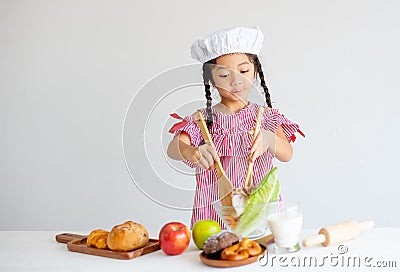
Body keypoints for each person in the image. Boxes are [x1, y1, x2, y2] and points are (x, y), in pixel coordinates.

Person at [167, 26, 304, 229]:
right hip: (213, 218)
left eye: (244, 71)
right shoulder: (203, 120)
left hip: (260, 216)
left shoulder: (266, 117)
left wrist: (268, 139)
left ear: (255, 70)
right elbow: (173, 148)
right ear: (211, 79)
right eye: (224, 75)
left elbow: (287, 154)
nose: (236, 80)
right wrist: (191, 151)